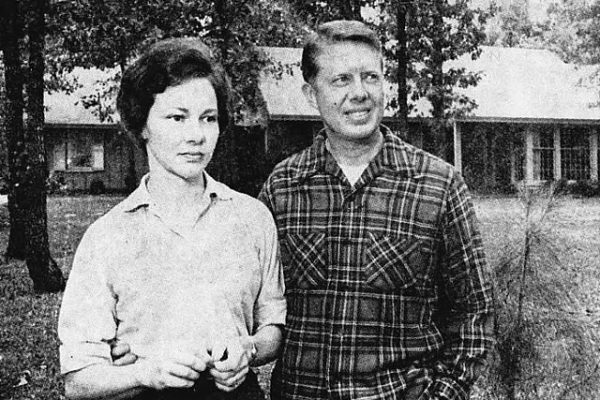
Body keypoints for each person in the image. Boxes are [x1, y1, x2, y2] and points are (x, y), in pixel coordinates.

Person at [257, 20, 495, 400]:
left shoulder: (438, 185)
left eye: (371, 77)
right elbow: (253, 306)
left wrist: (444, 394)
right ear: (309, 93)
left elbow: (473, 316)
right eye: (341, 80)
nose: (360, 93)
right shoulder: (282, 187)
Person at [58, 37, 286, 400]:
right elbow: (78, 381)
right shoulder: (108, 237)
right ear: (142, 124)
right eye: (177, 118)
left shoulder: (252, 218)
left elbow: (273, 328)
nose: (196, 135)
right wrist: (146, 372)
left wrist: (248, 350)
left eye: (208, 119)